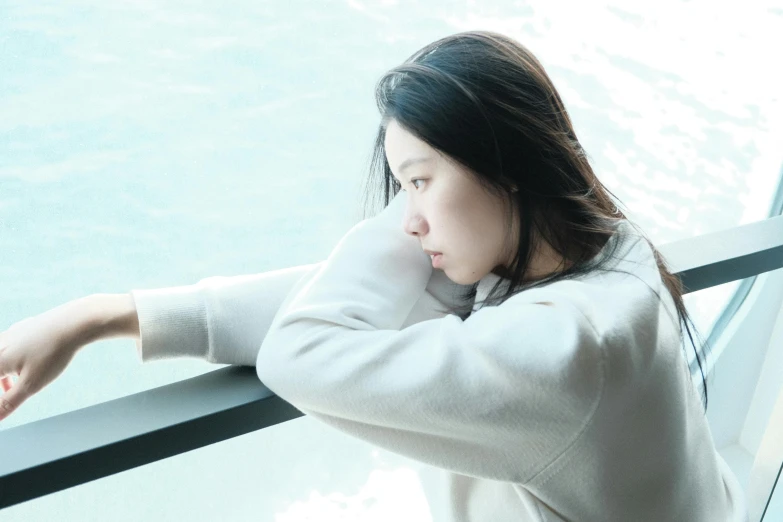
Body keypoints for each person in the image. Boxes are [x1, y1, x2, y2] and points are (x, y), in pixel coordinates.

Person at [0, 30, 747, 521]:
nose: (407, 221)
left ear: (505, 169)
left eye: (417, 183)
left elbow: (306, 350)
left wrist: (402, 212)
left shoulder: (565, 350)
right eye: (401, 194)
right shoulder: (603, 248)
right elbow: (365, 300)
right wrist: (99, 317)